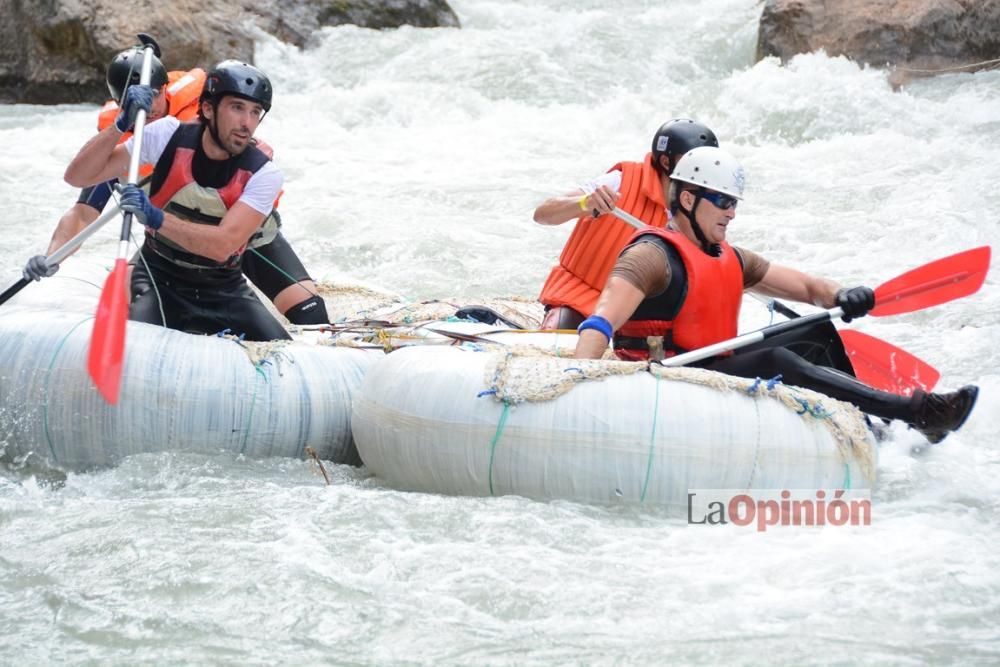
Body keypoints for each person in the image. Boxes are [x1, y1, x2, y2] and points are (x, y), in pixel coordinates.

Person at [573, 146, 979, 444]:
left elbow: (805, 288)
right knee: (776, 358)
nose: (732, 212)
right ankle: (914, 410)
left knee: (816, 330)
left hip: (713, 362)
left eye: (734, 203)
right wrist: (575, 382)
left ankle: (874, 430)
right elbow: (601, 320)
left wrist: (845, 294)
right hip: (667, 375)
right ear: (688, 199)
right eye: (724, 202)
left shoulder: (729, 256)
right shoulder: (650, 256)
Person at [25, 47, 328, 326]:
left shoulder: (205, 113)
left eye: (155, 94)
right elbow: (82, 211)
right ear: (121, 102)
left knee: (308, 309)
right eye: (134, 99)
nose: (151, 107)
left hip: (240, 231)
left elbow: (244, 131)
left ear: (165, 89)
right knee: (127, 292)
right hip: (171, 244)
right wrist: (53, 256)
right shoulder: (129, 137)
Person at [63, 59, 293, 341]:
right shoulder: (166, 135)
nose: (247, 123)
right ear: (208, 109)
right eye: (237, 108)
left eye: (255, 112)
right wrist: (121, 123)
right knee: (135, 350)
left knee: (285, 355)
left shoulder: (265, 174)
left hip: (224, 289)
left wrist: (156, 217)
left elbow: (222, 246)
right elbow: (78, 176)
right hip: (160, 280)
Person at [534, 119, 719, 330]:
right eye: (694, 164)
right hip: (580, 300)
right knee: (560, 327)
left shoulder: (705, 209)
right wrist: (585, 203)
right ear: (667, 163)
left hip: (636, 319)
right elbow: (543, 214)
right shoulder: (620, 181)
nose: (703, 173)